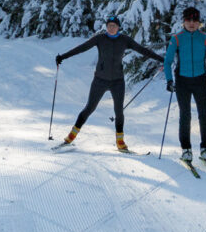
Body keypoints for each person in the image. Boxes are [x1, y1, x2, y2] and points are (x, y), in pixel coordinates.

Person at [54, 16, 159, 150]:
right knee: (89, 108)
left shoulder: (125, 40)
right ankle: (70, 137)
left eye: (114, 25)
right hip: (100, 80)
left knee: (119, 111)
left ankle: (120, 142)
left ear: (118, 27)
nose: (111, 28)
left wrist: (162, 59)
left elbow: (143, 50)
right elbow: (82, 47)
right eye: (109, 25)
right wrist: (63, 56)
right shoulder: (100, 38)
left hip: (117, 82)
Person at [170, 6, 206, 156]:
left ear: (199, 23)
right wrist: (168, 80)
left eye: (195, 20)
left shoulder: (205, 39)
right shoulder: (177, 38)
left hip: (200, 81)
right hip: (182, 81)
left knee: (204, 114)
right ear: (184, 22)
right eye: (188, 20)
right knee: (185, 115)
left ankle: (205, 147)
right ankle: (186, 148)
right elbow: (167, 62)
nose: (191, 23)